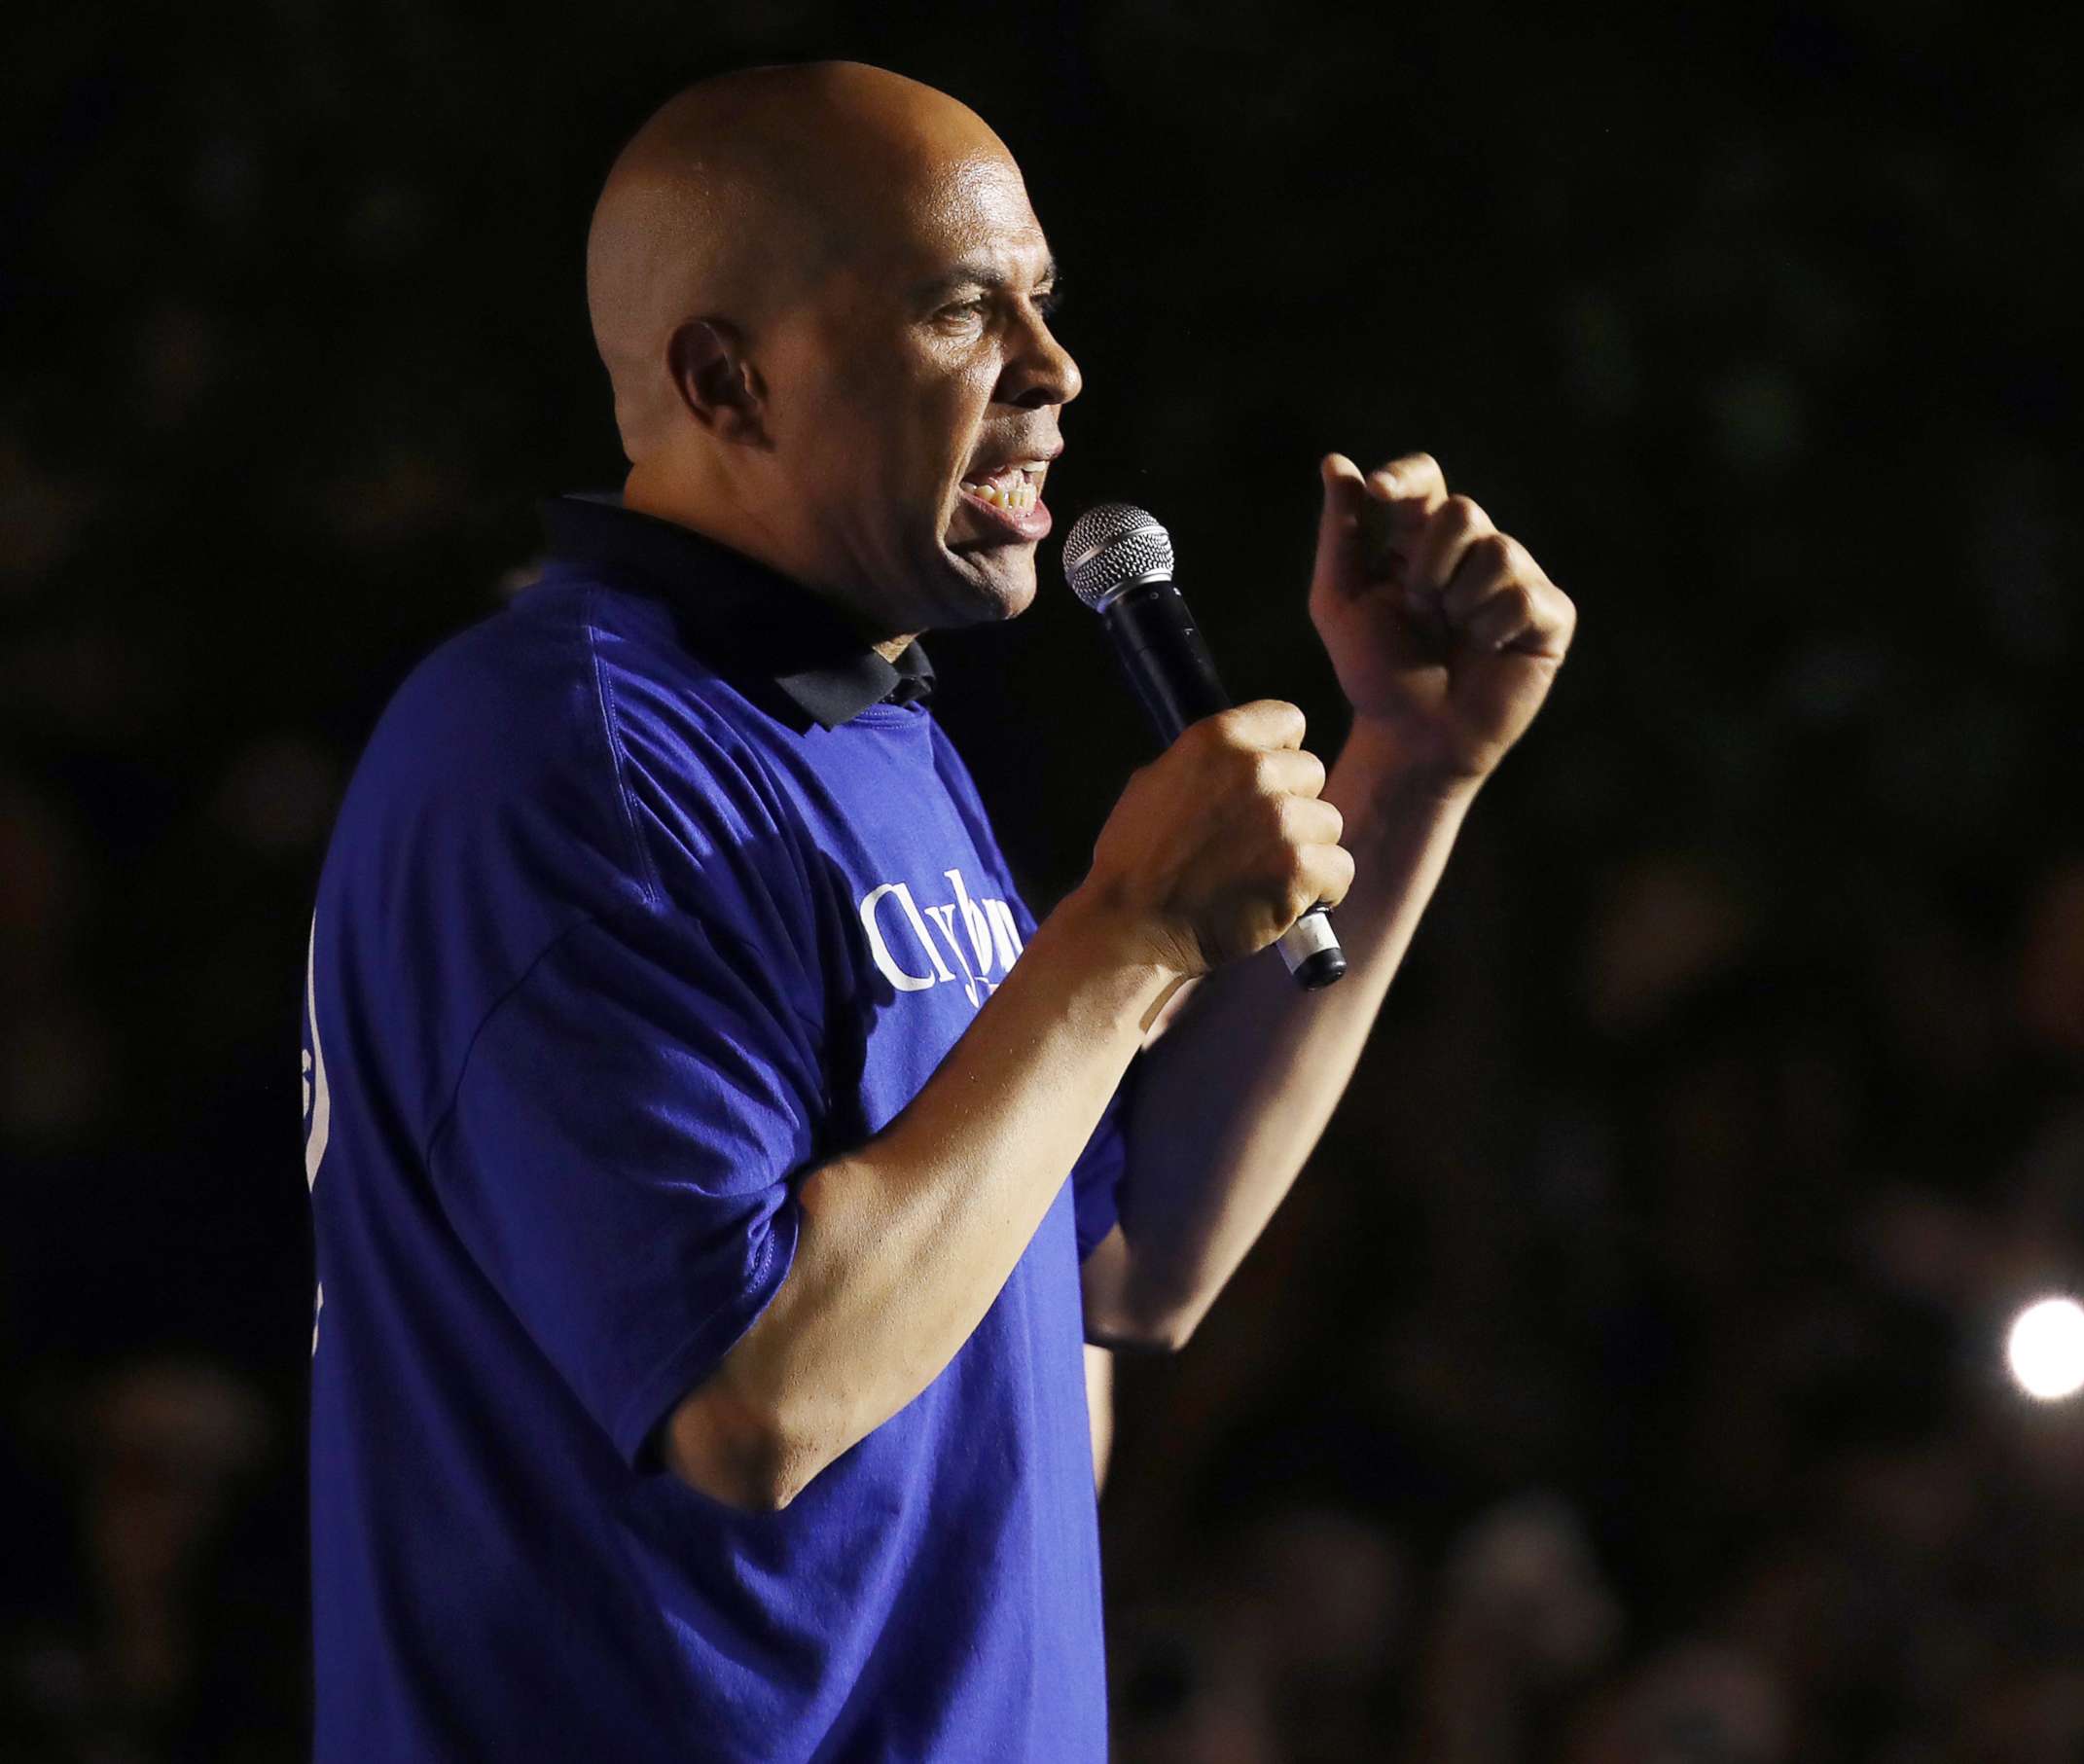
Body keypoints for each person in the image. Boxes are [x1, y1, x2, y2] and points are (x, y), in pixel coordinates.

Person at [299, 59, 1575, 1761]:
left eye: (1043, 304)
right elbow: (757, 1397)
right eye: (962, 311)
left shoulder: (866, 731)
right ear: (726, 379)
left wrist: (1410, 766)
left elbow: (1127, 1266)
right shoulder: (562, 764)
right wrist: (1122, 941)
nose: (1053, 372)